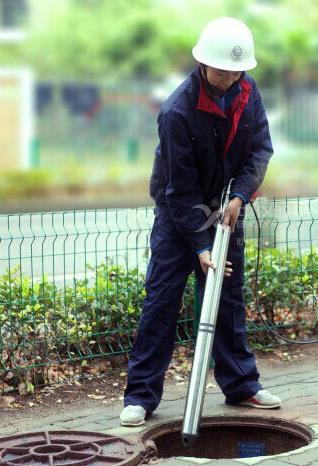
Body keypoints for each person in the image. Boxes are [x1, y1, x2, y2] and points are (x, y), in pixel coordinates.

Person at [120, 17, 280, 427]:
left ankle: (241, 385)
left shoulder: (247, 91)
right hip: (178, 217)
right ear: (203, 64)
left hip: (226, 209)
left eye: (236, 71)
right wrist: (201, 248)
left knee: (227, 299)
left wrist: (240, 196)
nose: (230, 78)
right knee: (161, 302)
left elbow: (260, 149)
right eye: (222, 71)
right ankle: (140, 396)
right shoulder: (177, 111)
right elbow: (179, 190)